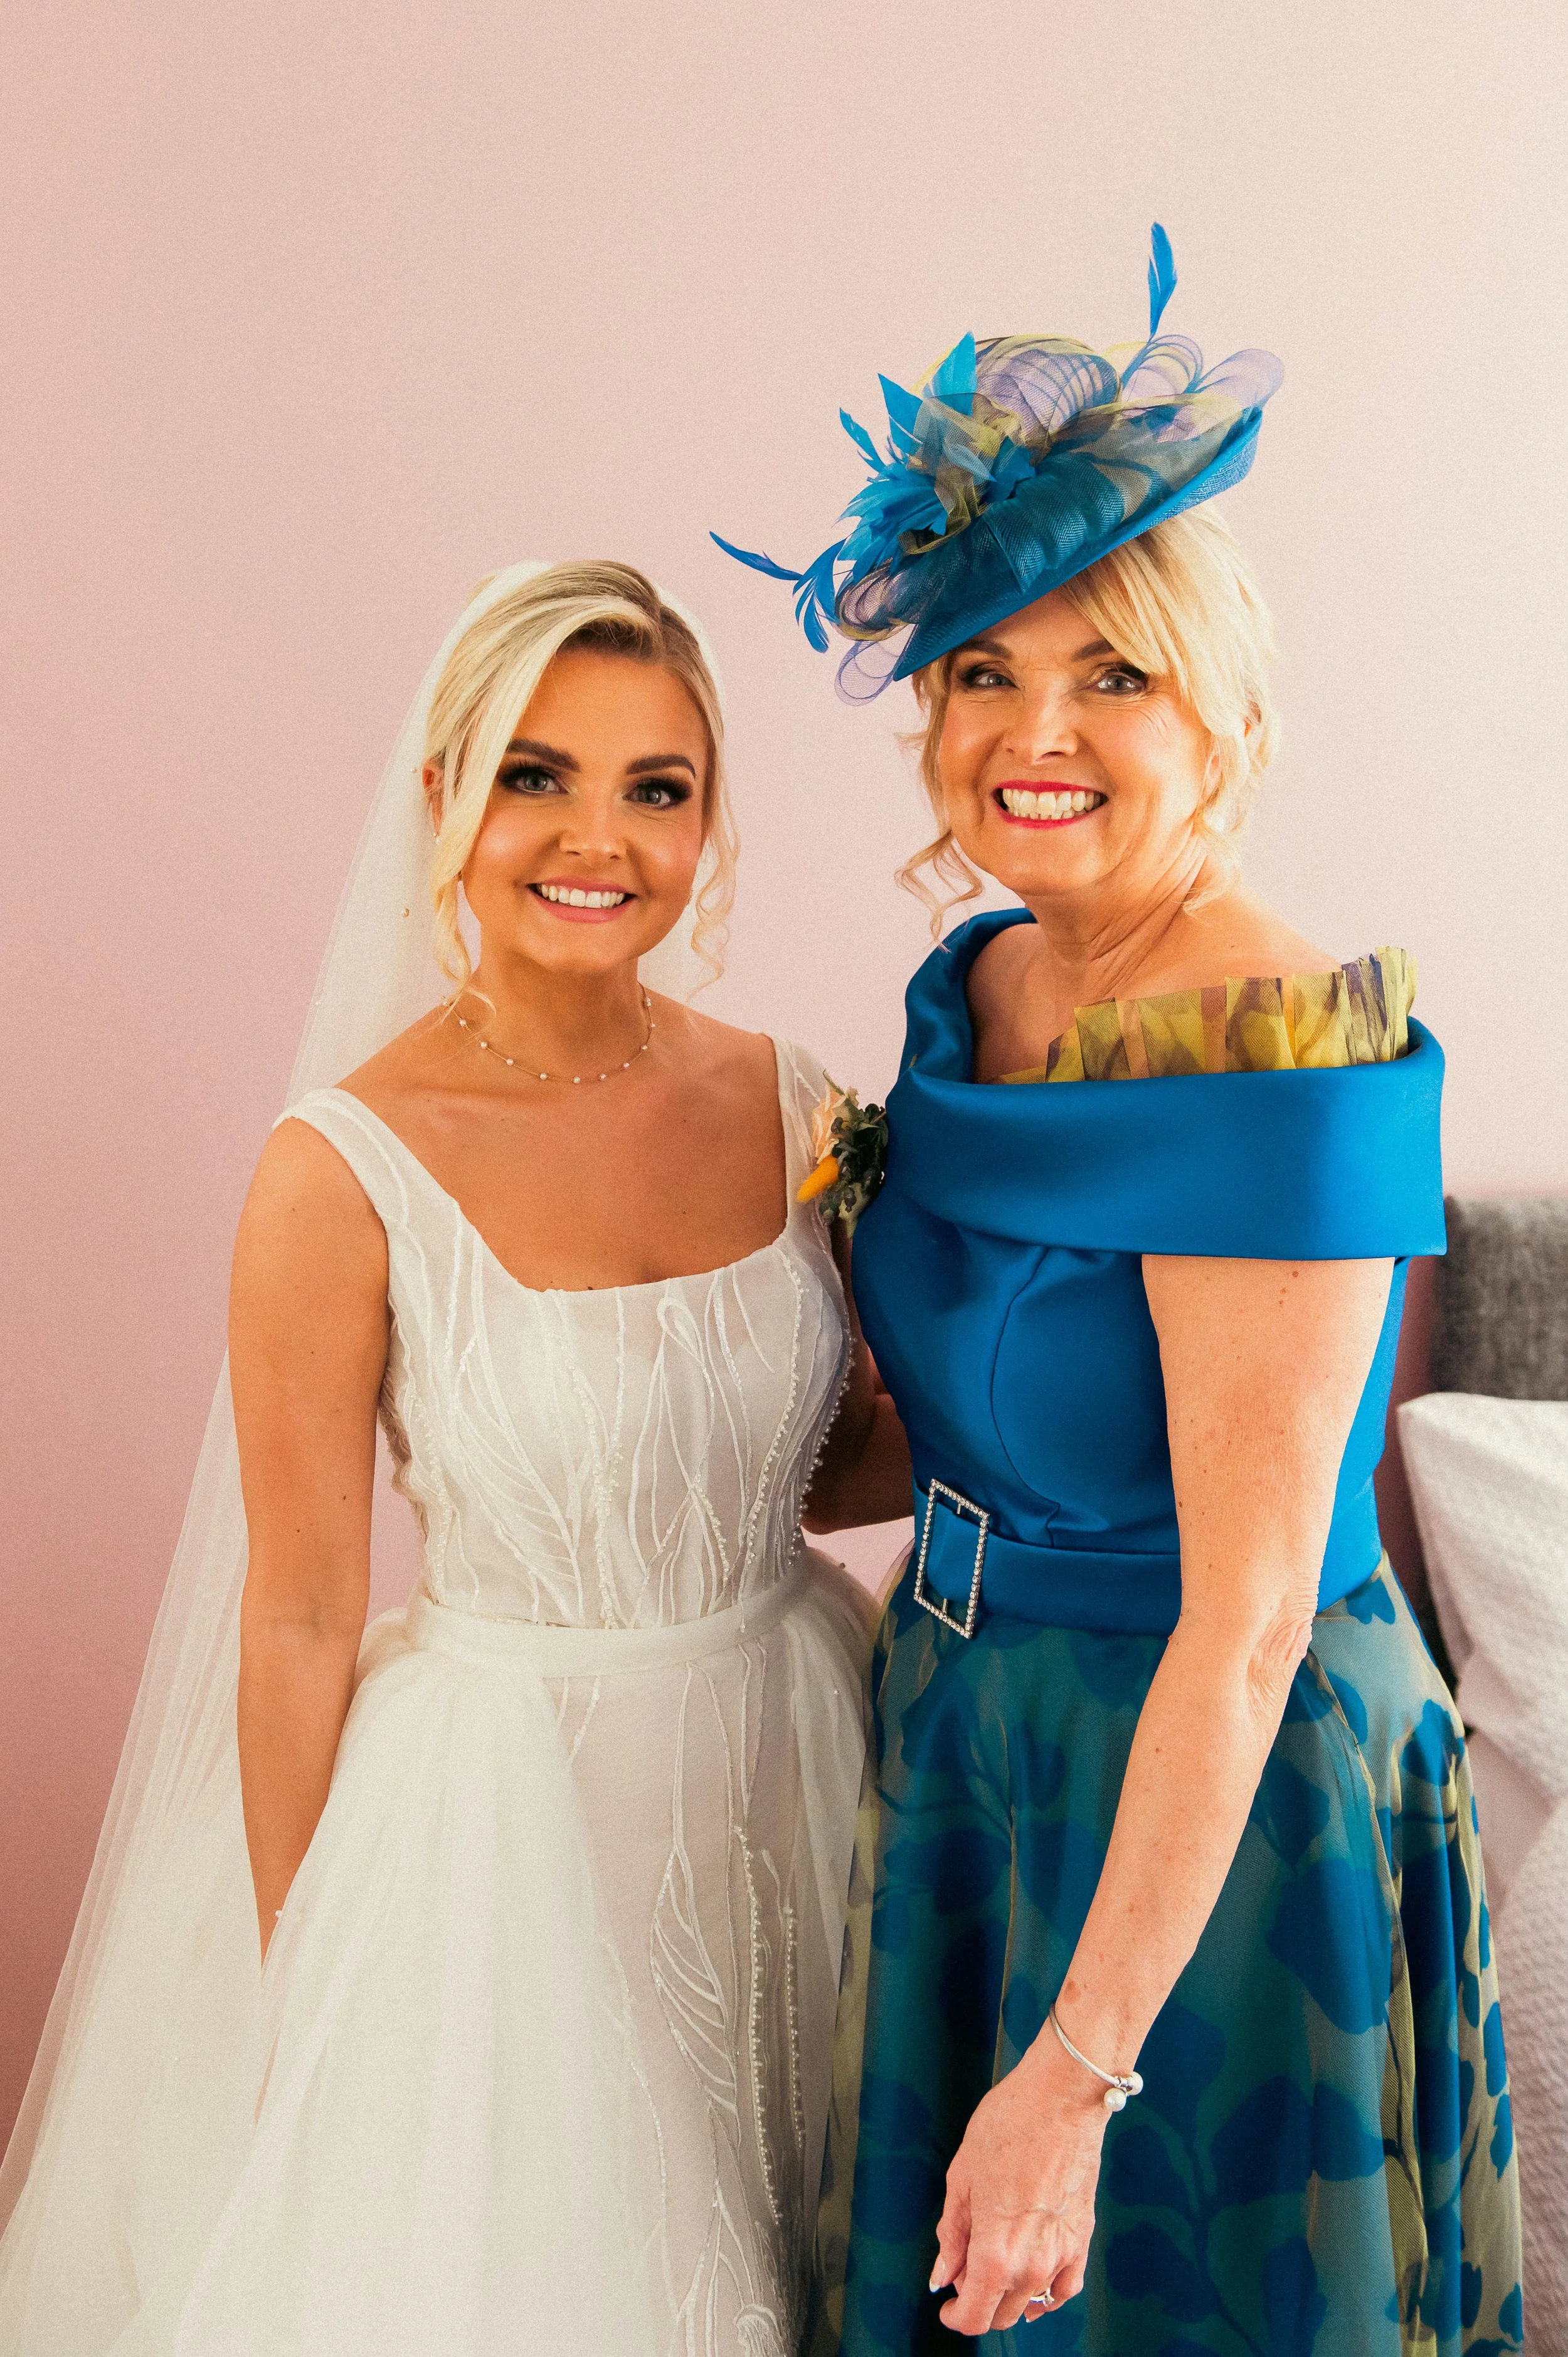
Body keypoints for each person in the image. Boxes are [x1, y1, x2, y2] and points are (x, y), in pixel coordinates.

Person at [719, 231, 1523, 2352]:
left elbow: (1251, 1614)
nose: (1030, 731)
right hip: (971, 1729)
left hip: (1216, 1793)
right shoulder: (981, 983)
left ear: (1226, 710)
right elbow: (944, 1402)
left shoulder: (1272, 1047)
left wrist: (1077, 2069)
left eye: (1112, 676)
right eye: (985, 668)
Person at [0, 561, 900, 2356]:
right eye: (532, 773)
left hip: (805, 1747)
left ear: (708, 816)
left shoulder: (795, 1099)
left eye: (657, 786)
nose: (596, 837)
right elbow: (304, 1609)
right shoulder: (340, 1171)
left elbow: (829, 1454)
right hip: (510, 1816)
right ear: (444, 799)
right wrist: (301, 1968)